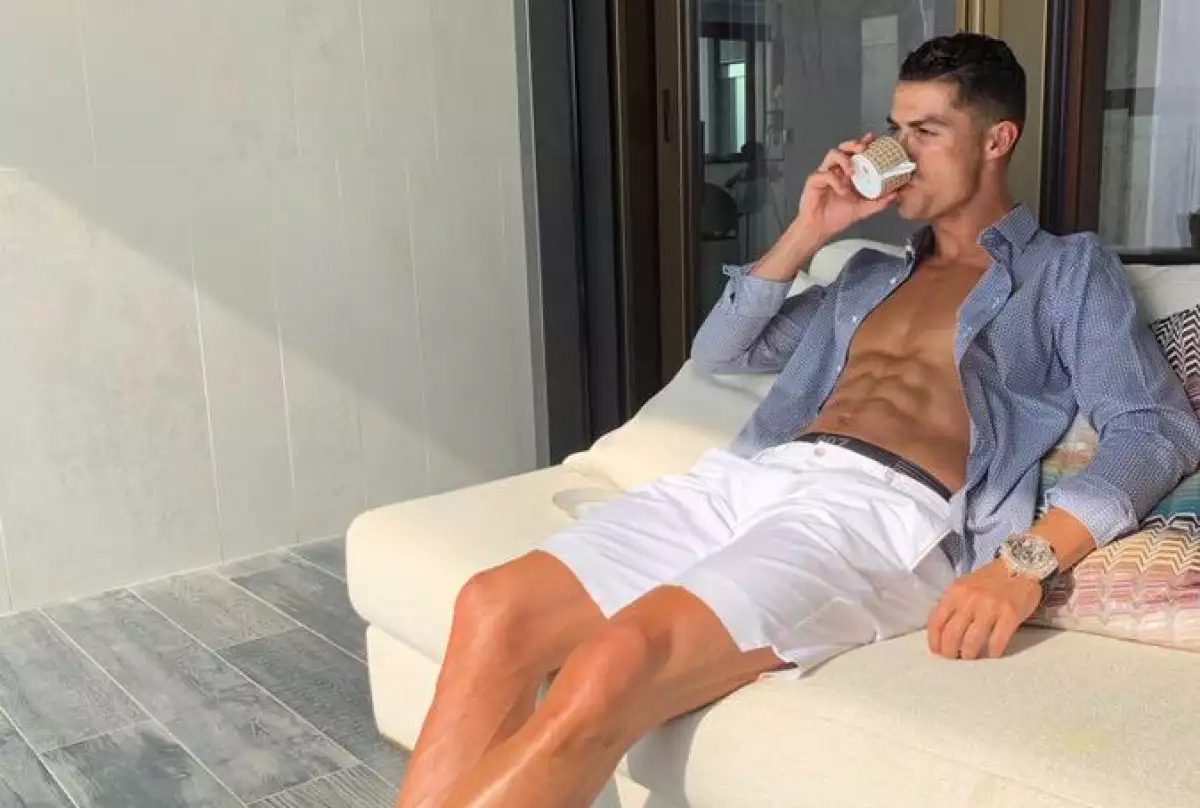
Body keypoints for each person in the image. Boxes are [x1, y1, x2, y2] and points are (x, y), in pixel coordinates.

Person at [394, 34, 1200, 808]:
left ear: (996, 140)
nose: (900, 150)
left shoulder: (1065, 271)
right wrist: (811, 229)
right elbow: (723, 350)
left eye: (926, 131)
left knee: (616, 661)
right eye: (895, 129)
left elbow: (1154, 429)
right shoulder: (867, 275)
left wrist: (1024, 562)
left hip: (885, 515)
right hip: (751, 478)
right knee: (493, 608)